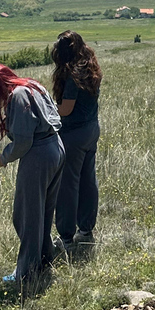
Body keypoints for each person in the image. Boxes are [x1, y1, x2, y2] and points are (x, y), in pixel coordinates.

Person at [0, 64, 64, 287]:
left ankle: (26, 274)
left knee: (27, 216)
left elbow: (24, 141)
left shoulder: (19, 95)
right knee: (43, 212)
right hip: (56, 148)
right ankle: (45, 259)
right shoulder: (32, 85)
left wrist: (5, 156)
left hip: (38, 156)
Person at [51, 30, 103, 251]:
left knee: (67, 185)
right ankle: (86, 229)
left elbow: (66, 109)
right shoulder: (90, 69)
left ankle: (65, 237)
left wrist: (51, 108)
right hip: (91, 129)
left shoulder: (72, 75)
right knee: (87, 181)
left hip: (73, 134)